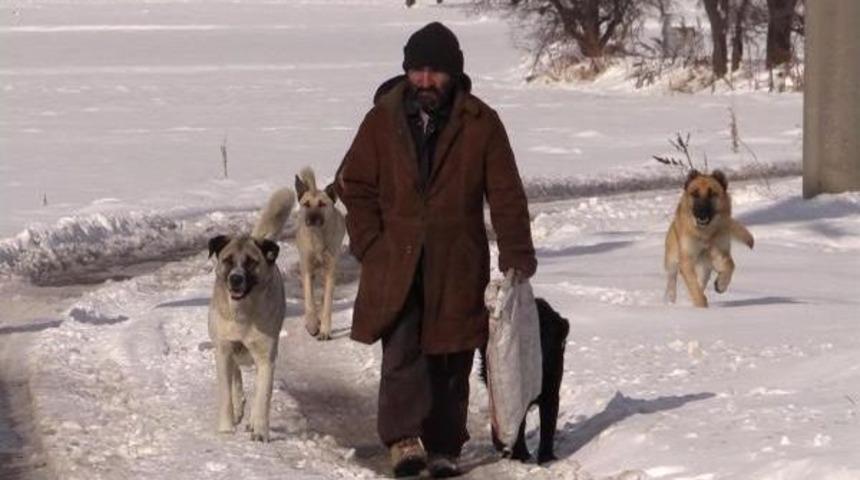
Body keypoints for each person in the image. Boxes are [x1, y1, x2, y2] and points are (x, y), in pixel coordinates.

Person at [335, 22, 536, 478]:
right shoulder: (382, 120)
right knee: (403, 349)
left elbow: (506, 194)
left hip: (457, 258)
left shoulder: (480, 123)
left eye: (434, 72)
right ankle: (404, 440)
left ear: (454, 73)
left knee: (453, 353)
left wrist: (516, 256)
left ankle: (445, 445)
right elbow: (356, 184)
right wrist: (370, 242)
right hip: (396, 257)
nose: (425, 81)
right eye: (417, 70)